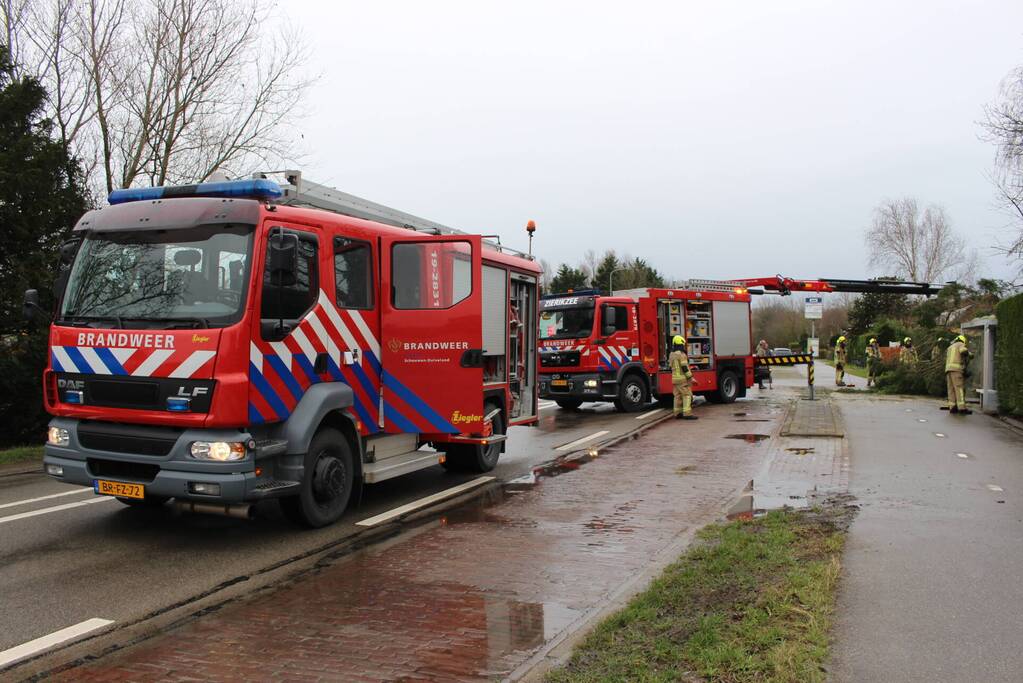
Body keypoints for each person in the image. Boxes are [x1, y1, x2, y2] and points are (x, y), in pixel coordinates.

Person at [669, 335, 698, 420]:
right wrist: (691, 378)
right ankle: (687, 413)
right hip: (682, 379)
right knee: (687, 395)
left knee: (677, 396)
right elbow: (685, 368)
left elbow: (671, 367)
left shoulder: (671, 354)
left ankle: (677, 413)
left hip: (674, 379)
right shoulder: (682, 355)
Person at [944, 334, 972, 415]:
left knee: (951, 389)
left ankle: (952, 407)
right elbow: (963, 351)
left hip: (948, 370)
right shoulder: (960, 344)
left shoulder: (950, 347)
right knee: (959, 388)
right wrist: (970, 355)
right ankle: (962, 408)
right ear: (962, 340)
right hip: (956, 370)